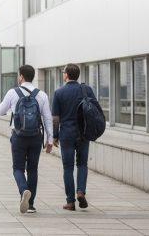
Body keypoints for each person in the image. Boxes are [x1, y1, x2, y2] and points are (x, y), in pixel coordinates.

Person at [0, 65, 53, 214]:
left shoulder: (12, 93)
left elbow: (0, 111)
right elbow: (47, 118)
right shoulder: (42, 95)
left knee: (18, 168)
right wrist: (50, 140)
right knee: (33, 169)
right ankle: (31, 205)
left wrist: (13, 109)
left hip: (18, 136)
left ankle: (23, 191)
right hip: (36, 136)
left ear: (21, 76)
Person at [52, 63, 92, 211]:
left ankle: (70, 201)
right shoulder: (86, 90)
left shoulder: (59, 92)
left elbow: (55, 118)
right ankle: (81, 191)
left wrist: (55, 136)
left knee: (68, 167)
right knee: (82, 164)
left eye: (63, 72)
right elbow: (94, 109)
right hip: (84, 133)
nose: (63, 74)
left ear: (67, 75)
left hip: (67, 134)